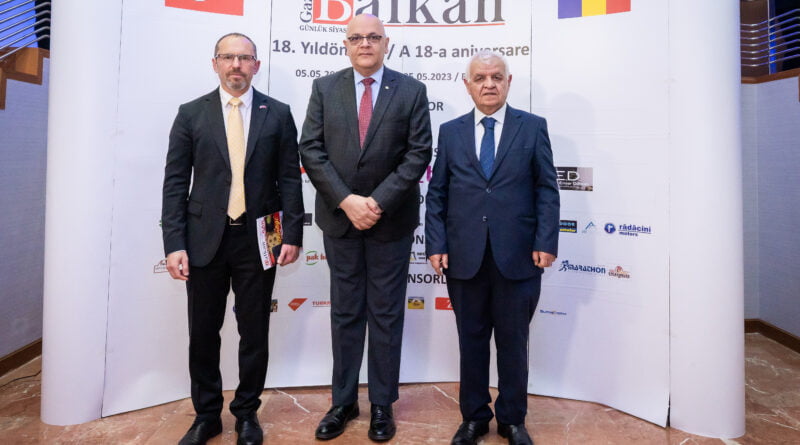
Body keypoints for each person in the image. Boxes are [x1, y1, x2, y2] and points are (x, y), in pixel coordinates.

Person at [161, 32, 304, 445]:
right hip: (203, 239)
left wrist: (291, 234)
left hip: (261, 237)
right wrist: (174, 243)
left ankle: (246, 413)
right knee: (203, 333)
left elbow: (289, 179)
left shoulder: (278, 113)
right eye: (228, 57)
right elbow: (175, 183)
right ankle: (206, 416)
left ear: (256, 65)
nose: (236, 65)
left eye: (244, 58)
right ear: (215, 63)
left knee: (254, 332)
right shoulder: (191, 113)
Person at [298, 13, 432, 443]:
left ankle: (381, 404)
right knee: (345, 313)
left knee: (387, 314)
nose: (365, 44)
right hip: (340, 220)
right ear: (346, 44)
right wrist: (347, 200)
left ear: (386, 43)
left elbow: (418, 154)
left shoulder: (411, 91)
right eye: (356, 37)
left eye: (374, 37)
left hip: (390, 221)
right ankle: (343, 402)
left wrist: (375, 202)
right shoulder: (325, 88)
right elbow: (311, 149)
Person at [425, 51, 560, 445]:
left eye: (496, 77)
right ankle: (474, 418)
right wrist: (436, 243)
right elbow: (438, 193)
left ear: (508, 81)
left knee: (514, 343)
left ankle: (513, 420)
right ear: (467, 84)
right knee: (471, 341)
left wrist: (546, 241)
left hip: (518, 256)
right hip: (464, 256)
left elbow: (546, 189)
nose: (489, 84)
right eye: (480, 78)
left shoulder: (532, 127)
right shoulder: (450, 131)